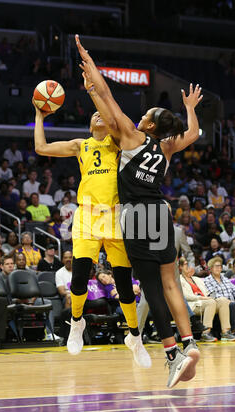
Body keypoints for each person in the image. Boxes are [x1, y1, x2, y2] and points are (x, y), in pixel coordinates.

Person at [75, 35, 202, 387]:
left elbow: (110, 101)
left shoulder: (132, 136)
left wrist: (91, 69)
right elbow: (192, 132)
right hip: (163, 214)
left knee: (151, 289)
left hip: (138, 216)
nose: (140, 116)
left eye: (145, 115)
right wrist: (190, 107)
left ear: (147, 125)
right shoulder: (166, 148)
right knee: (170, 283)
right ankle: (190, 344)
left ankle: (172, 354)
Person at [33, 70, 151, 370]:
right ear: (88, 124)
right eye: (94, 116)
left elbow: (111, 115)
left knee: (125, 284)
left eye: (102, 115)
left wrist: (93, 92)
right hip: (86, 217)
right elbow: (41, 148)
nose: (99, 117)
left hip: (114, 218)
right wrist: (40, 115)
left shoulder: (117, 143)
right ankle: (76, 323)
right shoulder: (80, 145)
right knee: (80, 274)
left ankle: (134, 337)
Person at [179, 257, 233, 342]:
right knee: (210, 302)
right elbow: (185, 296)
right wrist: (202, 298)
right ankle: (205, 333)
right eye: (186, 264)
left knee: (223, 300)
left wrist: (212, 297)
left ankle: (225, 332)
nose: (189, 267)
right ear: (180, 267)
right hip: (193, 305)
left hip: (206, 302)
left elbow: (207, 293)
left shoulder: (197, 279)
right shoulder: (179, 280)